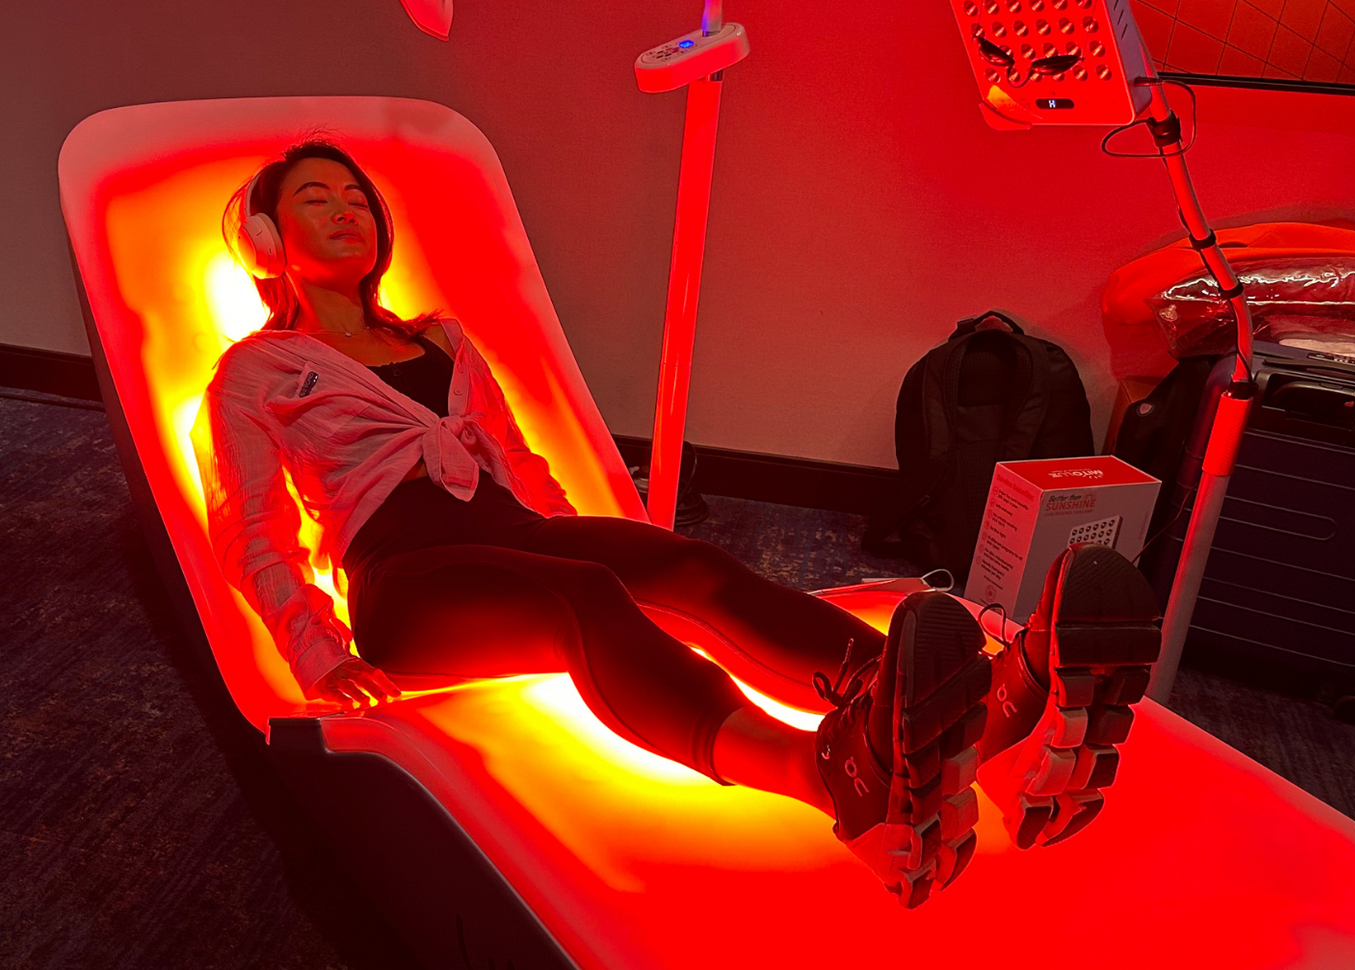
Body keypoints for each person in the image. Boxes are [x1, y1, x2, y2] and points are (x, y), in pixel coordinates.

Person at [191, 139, 1162, 909]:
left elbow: (519, 468)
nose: (346, 209)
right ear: (270, 241)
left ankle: (932, 712)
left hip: (511, 537)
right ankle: (828, 776)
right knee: (583, 595)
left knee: (680, 563)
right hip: (403, 582)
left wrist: (597, 538)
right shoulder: (257, 371)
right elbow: (252, 528)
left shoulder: (439, 337)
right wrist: (317, 653)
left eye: (357, 196)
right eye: (316, 198)